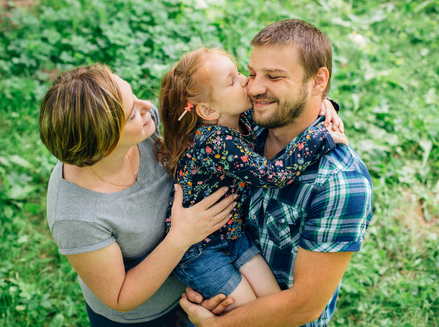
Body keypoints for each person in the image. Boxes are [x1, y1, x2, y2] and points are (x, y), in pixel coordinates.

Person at [179, 19, 373, 327]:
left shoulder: (340, 184)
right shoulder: (245, 123)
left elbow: (303, 308)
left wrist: (216, 324)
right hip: (212, 283)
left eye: (274, 77)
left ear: (318, 81)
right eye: (252, 73)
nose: (254, 88)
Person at [38, 63, 239, 326]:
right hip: (145, 318)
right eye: (131, 114)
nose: (146, 106)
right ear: (105, 143)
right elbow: (119, 295)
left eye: (133, 96)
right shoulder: (76, 217)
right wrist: (181, 237)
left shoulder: (145, 127)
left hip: (194, 284)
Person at [154, 48, 348, 311]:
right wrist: (319, 137)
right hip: (200, 250)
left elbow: (285, 106)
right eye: (232, 81)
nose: (247, 80)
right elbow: (272, 175)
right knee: (249, 312)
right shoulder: (214, 141)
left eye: (240, 73)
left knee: (272, 304)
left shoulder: (238, 118)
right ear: (209, 109)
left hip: (235, 236)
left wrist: (323, 104)